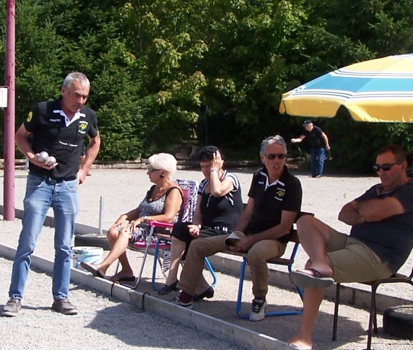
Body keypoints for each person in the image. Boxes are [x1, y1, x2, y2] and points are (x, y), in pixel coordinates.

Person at [287, 144, 413, 350]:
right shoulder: (377, 190)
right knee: (306, 221)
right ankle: (320, 262)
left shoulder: (412, 193)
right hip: (354, 243)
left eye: (386, 167)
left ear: (403, 165)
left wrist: (365, 209)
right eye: (377, 168)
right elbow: (344, 214)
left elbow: (369, 211)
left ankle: (304, 336)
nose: (381, 173)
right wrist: (369, 211)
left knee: (312, 270)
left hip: (379, 257)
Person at [3, 72, 100, 317]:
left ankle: (61, 297)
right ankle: (15, 297)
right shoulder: (42, 110)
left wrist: (84, 171)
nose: (81, 101)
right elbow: (20, 136)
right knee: (27, 243)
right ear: (63, 90)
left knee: (65, 246)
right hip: (39, 184)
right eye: (77, 95)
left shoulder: (87, 116)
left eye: (85, 97)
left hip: (67, 186)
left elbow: (95, 141)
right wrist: (32, 157)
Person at [174, 135, 302, 321]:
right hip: (248, 234)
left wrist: (249, 240)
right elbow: (248, 211)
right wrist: (237, 234)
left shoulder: (292, 184)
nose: (276, 161)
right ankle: (186, 295)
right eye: (272, 156)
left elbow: (283, 228)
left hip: (274, 240)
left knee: (256, 253)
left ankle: (259, 299)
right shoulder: (259, 176)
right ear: (262, 157)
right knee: (197, 246)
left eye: (281, 156)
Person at [81, 153, 183, 283]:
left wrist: (143, 219)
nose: (148, 173)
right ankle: (126, 270)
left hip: (157, 231)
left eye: (151, 170)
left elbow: (168, 217)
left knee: (124, 231)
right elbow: (140, 209)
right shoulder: (154, 188)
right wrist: (125, 216)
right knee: (113, 231)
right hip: (142, 227)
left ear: (162, 172)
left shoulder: (173, 191)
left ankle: (103, 266)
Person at [158, 146, 243, 298]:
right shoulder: (204, 185)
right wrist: (196, 225)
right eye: (202, 167)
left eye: (209, 166)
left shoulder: (230, 179)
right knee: (179, 229)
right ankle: (174, 278)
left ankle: (192, 288)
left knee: (190, 243)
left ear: (218, 164)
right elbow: (198, 213)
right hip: (208, 230)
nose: (205, 170)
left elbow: (217, 192)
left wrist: (214, 171)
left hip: (226, 232)